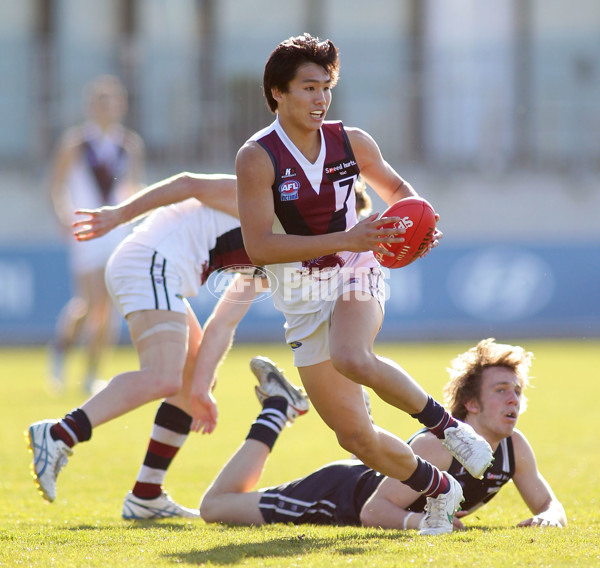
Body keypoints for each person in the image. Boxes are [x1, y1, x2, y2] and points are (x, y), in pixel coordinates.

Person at [234, 32, 493, 534]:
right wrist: (346, 234)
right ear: (277, 94)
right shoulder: (257, 157)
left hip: (356, 267)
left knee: (353, 354)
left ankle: (450, 430)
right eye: (308, 88)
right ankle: (441, 489)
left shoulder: (351, 141)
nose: (320, 99)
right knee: (354, 436)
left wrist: (419, 223)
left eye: (326, 87)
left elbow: (396, 190)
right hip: (303, 295)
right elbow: (260, 247)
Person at [27, 172, 271, 519]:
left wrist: (202, 386)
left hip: (158, 271)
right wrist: (119, 214)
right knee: (164, 377)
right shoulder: (266, 193)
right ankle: (59, 434)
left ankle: (146, 495)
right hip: (150, 262)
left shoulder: (283, 249)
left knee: (190, 379)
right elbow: (189, 183)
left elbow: (223, 322)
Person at [200, 340, 567, 534]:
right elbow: (372, 511)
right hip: (336, 496)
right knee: (214, 507)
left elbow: (549, 505)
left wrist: (549, 518)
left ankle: (282, 405)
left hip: (362, 481)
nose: (513, 399)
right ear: (470, 403)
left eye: (517, 391)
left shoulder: (514, 447)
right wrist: (425, 524)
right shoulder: (437, 447)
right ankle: (278, 409)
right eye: (502, 389)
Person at [48, 74, 145, 394]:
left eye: (112, 101)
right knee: (90, 304)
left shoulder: (129, 145)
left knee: (109, 306)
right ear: (90, 106)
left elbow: (131, 186)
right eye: (100, 101)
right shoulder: (75, 144)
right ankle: (61, 348)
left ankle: (91, 373)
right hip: (86, 229)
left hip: (116, 231)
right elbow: (56, 186)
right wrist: (64, 215)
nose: (106, 108)